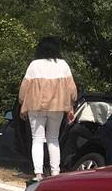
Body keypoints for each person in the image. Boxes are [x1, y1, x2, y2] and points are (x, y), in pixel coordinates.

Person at [18, 36, 78, 179]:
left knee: (37, 139)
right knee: (53, 139)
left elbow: (24, 88)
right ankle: (55, 173)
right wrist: (71, 106)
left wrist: (22, 103)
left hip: (35, 107)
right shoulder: (63, 65)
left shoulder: (34, 65)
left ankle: (38, 173)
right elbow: (72, 89)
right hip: (57, 108)